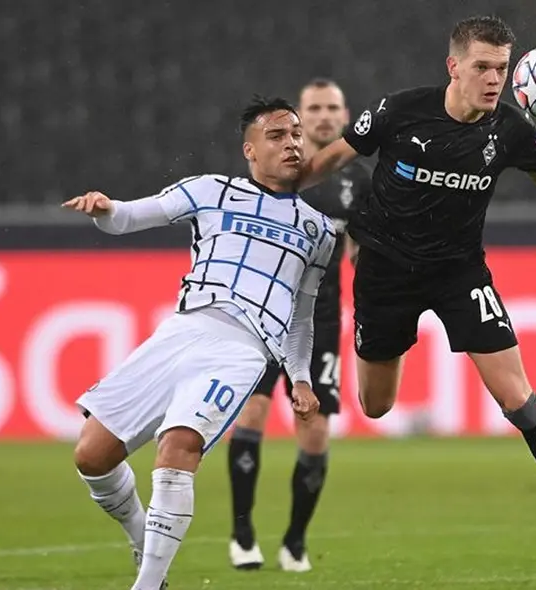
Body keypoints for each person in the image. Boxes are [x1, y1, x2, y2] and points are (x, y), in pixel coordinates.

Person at [296, 14, 536, 585]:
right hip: (382, 271)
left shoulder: (510, 130)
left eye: (502, 68)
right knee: (375, 404)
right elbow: (333, 157)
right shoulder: (402, 110)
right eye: (482, 66)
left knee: (520, 400)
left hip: (459, 273)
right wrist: (279, 189)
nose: (493, 78)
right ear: (453, 66)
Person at [64, 96, 337, 590]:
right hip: (183, 331)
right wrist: (104, 209)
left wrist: (300, 376)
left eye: (296, 134)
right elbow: (128, 216)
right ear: (250, 150)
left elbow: (301, 315)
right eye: (276, 136)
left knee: (179, 446)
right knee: (92, 455)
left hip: (243, 349)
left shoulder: (317, 229)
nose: (292, 143)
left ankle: (148, 585)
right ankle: (141, 538)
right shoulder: (210, 191)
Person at [227, 79, 370, 572]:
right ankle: (242, 532)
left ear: (344, 113)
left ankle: (294, 540)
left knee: (313, 435)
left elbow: (358, 249)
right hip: (262, 313)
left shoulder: (358, 179)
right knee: (251, 415)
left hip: (322, 318)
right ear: (300, 116)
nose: (324, 115)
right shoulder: (280, 171)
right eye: (315, 108)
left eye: (333, 107)